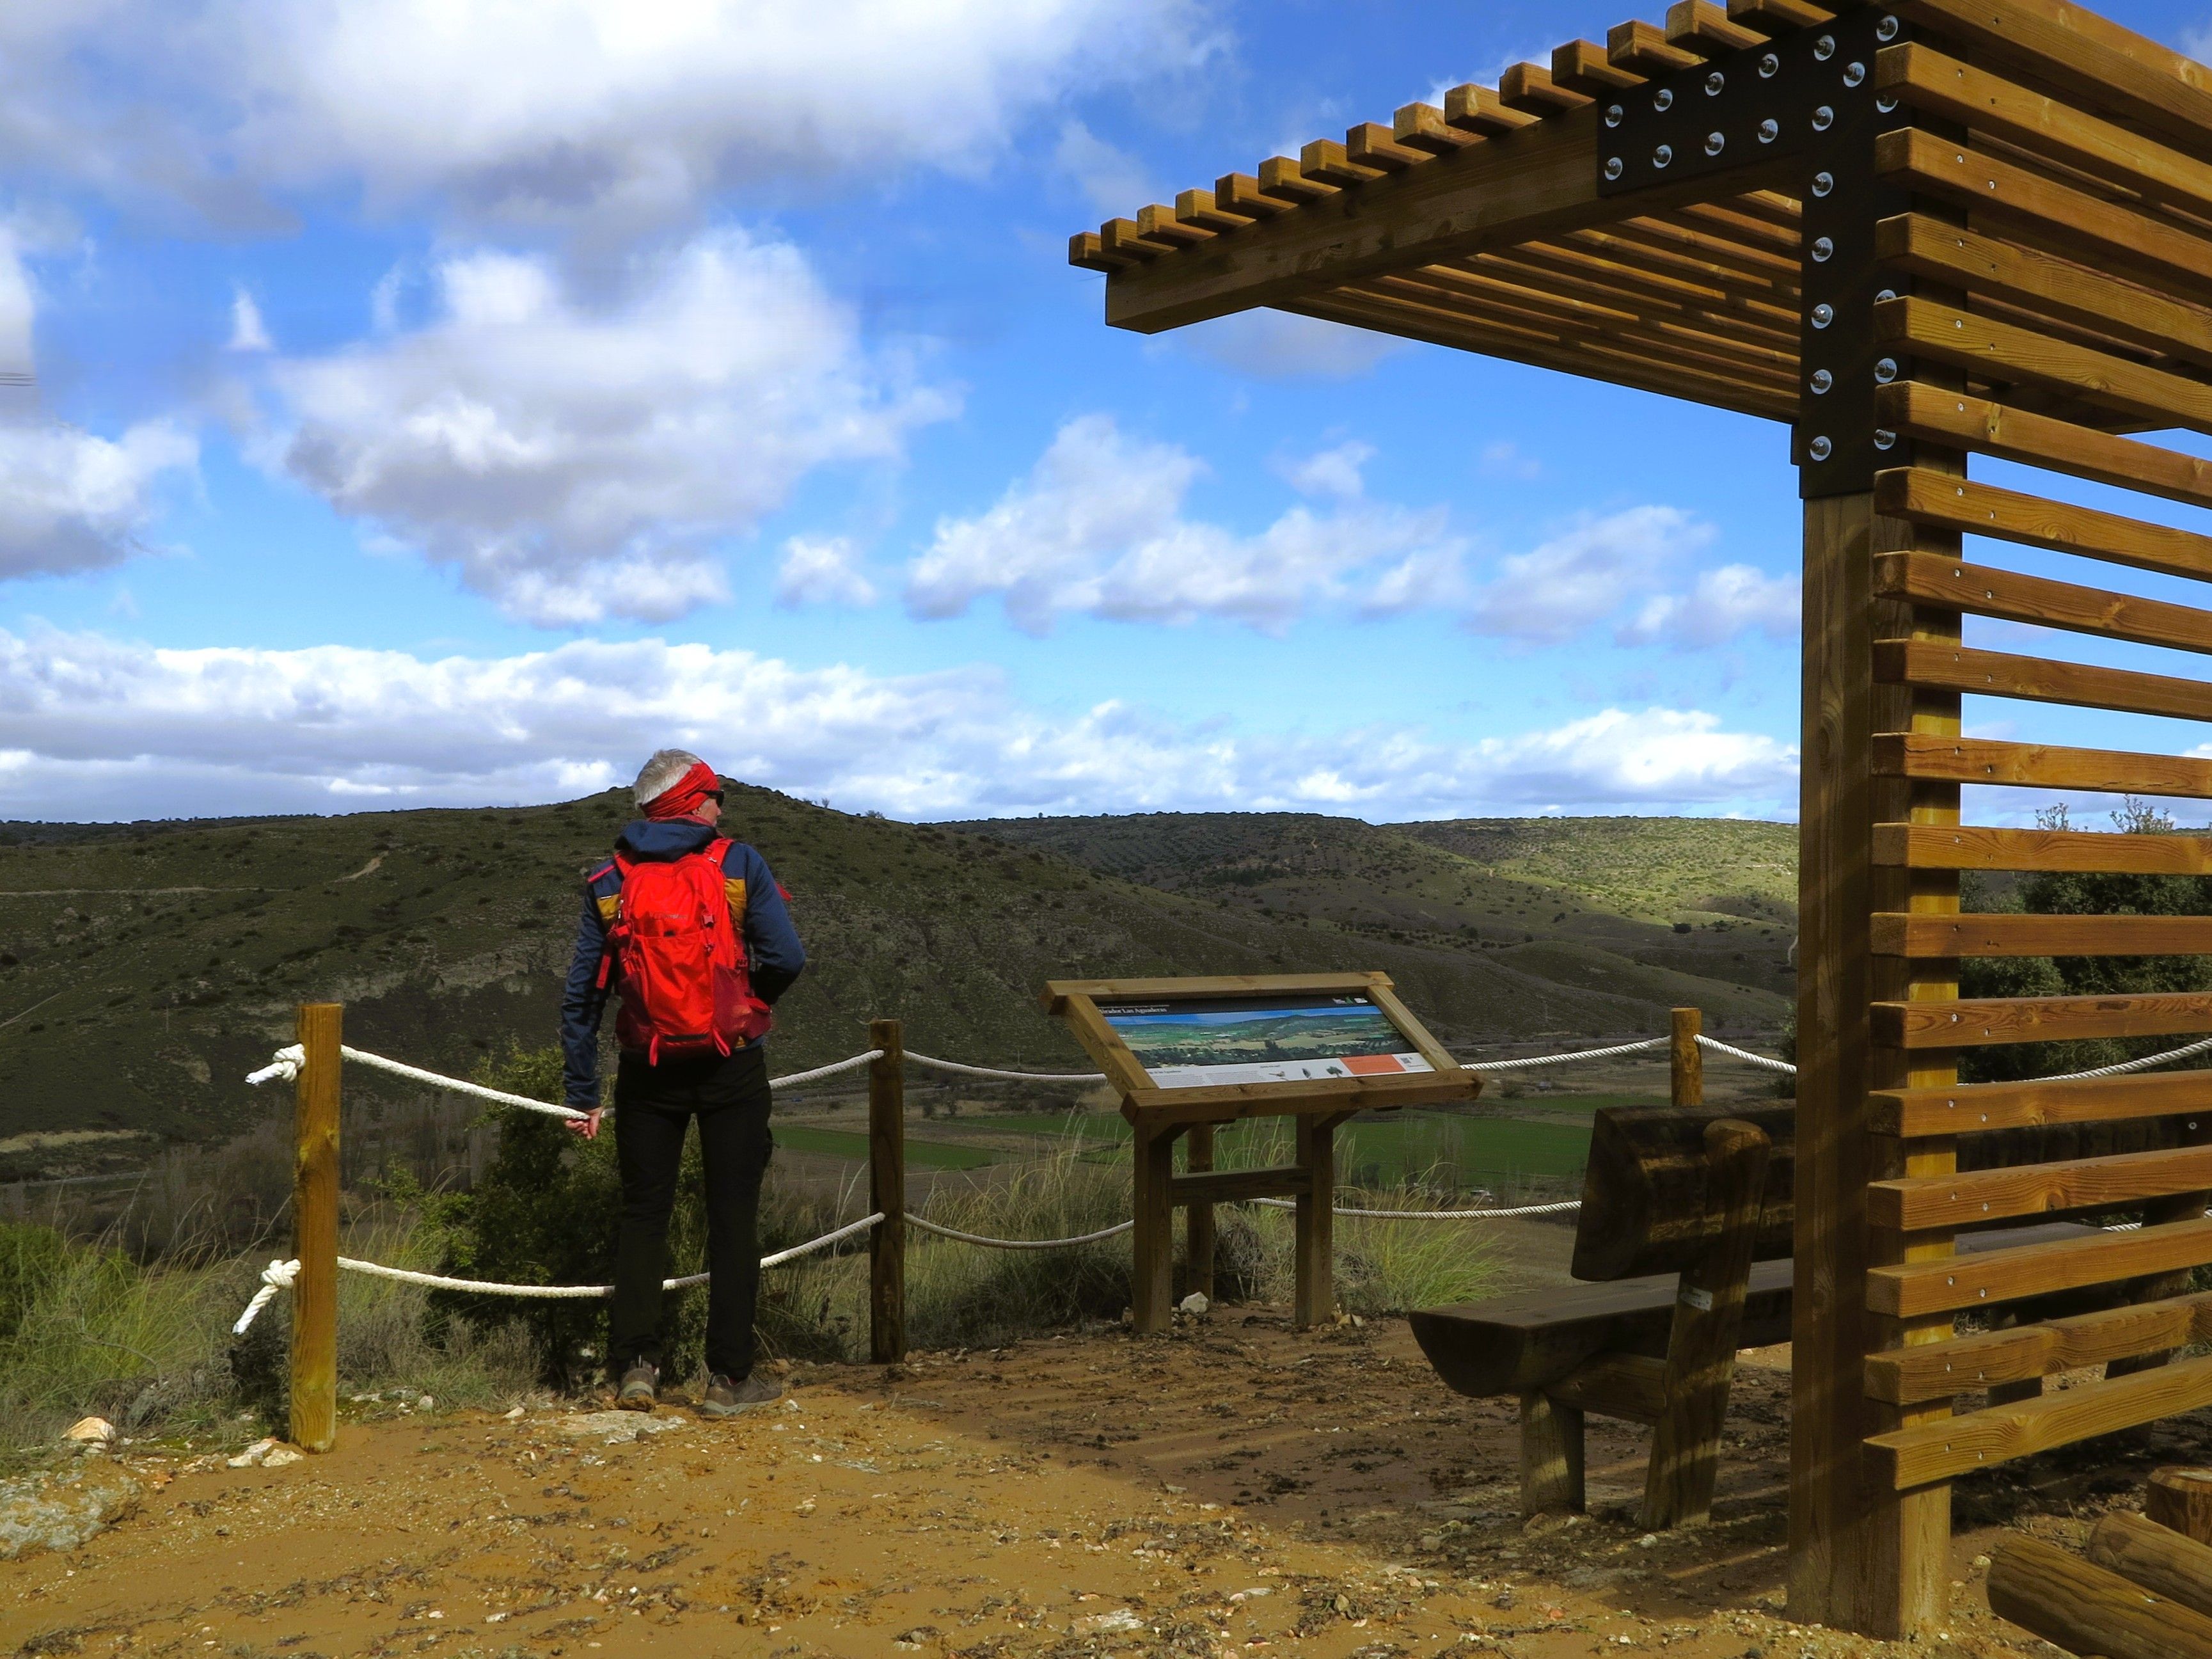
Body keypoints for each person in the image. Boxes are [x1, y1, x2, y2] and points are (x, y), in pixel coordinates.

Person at [560, 749, 806, 1417]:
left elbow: (583, 995)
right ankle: (727, 1379)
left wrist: (582, 1091)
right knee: (733, 1218)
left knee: (644, 1215)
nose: (722, 805)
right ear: (693, 802)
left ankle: (636, 1367)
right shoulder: (737, 864)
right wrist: (747, 1004)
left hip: (648, 1069)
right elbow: (787, 956)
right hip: (732, 1064)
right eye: (715, 793)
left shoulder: (609, 880)